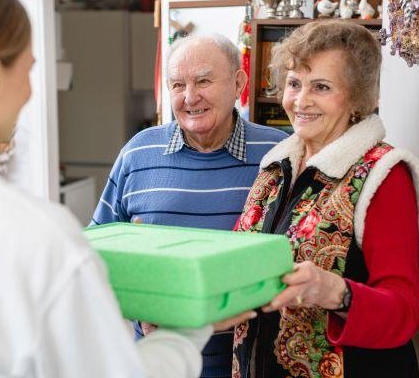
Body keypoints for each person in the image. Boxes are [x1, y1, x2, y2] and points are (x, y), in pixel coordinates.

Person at [0, 0, 254, 377]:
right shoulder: (36, 234)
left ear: (238, 83)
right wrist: (186, 326)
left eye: (202, 81)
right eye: (29, 69)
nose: (31, 91)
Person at [232, 20, 419, 378]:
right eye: (294, 84)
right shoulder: (275, 169)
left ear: (357, 97)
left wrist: (334, 291)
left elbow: (406, 312)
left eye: (321, 87)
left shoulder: (384, 175)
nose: (301, 100)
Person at [91, 34, 288, 377]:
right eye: (178, 84)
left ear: (238, 82)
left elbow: (298, 251)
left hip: (253, 364)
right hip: (157, 363)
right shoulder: (138, 152)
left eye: (203, 81)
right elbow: (94, 257)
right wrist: (139, 306)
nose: (189, 97)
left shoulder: (278, 153)